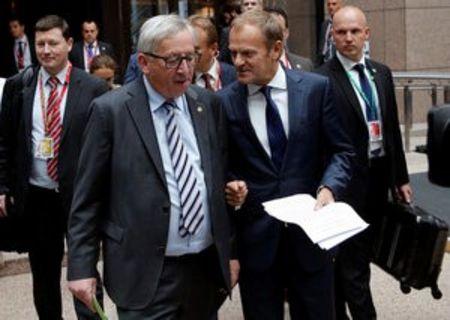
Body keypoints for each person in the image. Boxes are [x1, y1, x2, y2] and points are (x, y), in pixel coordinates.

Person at [67, 14, 247, 319]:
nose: (185, 69)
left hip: (203, 271)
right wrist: (81, 268)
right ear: (145, 62)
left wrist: (229, 252)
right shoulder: (110, 112)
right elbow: (87, 199)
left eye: (190, 57)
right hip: (144, 272)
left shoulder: (207, 105)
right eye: (173, 60)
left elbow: (216, 179)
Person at [218, 9, 354, 320]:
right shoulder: (224, 102)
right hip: (258, 244)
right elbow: (222, 164)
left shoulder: (315, 90)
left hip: (310, 239)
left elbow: (342, 151)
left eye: (248, 53)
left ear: (276, 49)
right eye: (234, 52)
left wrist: (330, 187)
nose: (238, 61)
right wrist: (232, 185)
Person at [0, 15, 109, 320]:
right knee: (43, 274)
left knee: (84, 271)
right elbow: (6, 141)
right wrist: (4, 187)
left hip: (78, 197)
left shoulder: (93, 89)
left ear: (69, 44)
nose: (46, 50)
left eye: (53, 43)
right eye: (40, 44)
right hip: (38, 196)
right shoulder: (19, 86)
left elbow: (104, 148)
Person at [316, 6, 412, 320]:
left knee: (358, 256)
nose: (348, 38)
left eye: (355, 31)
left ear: (366, 34)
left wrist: (401, 177)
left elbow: (391, 130)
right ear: (332, 35)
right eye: (341, 32)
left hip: (378, 180)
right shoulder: (320, 80)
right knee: (353, 262)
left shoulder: (380, 73)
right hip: (344, 185)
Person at [189, 15, 236, 91]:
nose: (189, 57)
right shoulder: (182, 80)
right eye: (187, 51)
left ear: (213, 48)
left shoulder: (234, 75)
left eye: (195, 51)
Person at [264, 6, 313, 71]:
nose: (274, 35)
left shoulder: (305, 65)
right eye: (269, 30)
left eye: (279, 30)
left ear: (286, 33)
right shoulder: (252, 67)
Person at [317, 0, 344, 65]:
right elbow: (322, 46)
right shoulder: (325, 24)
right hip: (324, 63)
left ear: (340, 6)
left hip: (339, 63)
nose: (330, 7)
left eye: (334, 4)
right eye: (328, 5)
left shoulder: (345, 24)